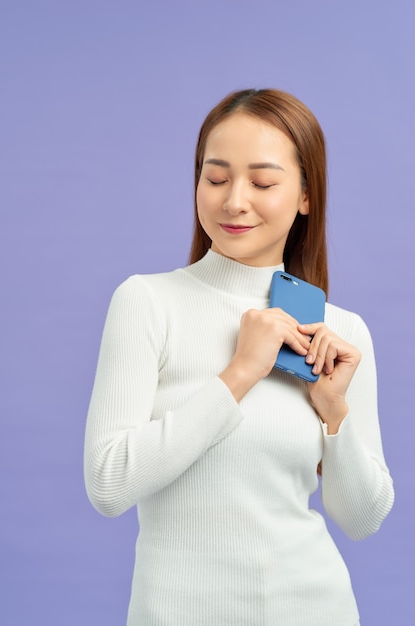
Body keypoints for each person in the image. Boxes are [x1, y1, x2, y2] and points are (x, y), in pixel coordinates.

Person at [84, 88, 394, 626]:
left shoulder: (341, 332)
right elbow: (109, 484)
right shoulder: (147, 302)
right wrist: (239, 374)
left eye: (264, 182)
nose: (234, 201)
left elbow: (363, 518)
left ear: (305, 195)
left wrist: (333, 411)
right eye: (217, 177)